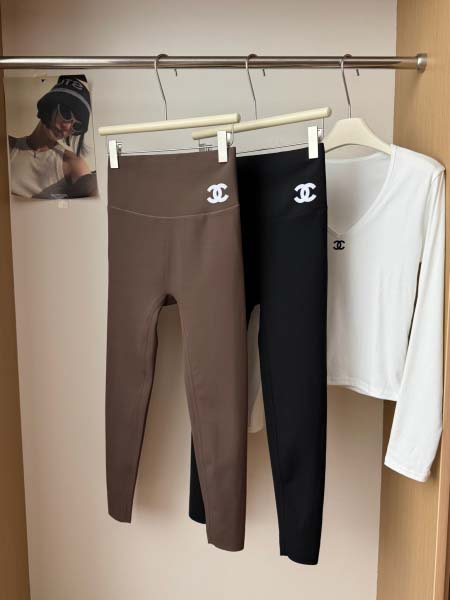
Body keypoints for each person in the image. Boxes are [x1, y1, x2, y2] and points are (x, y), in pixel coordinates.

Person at [9, 75, 98, 199]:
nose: (67, 127)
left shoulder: (73, 164)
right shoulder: (9, 146)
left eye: (76, 125)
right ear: (49, 106)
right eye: (66, 114)